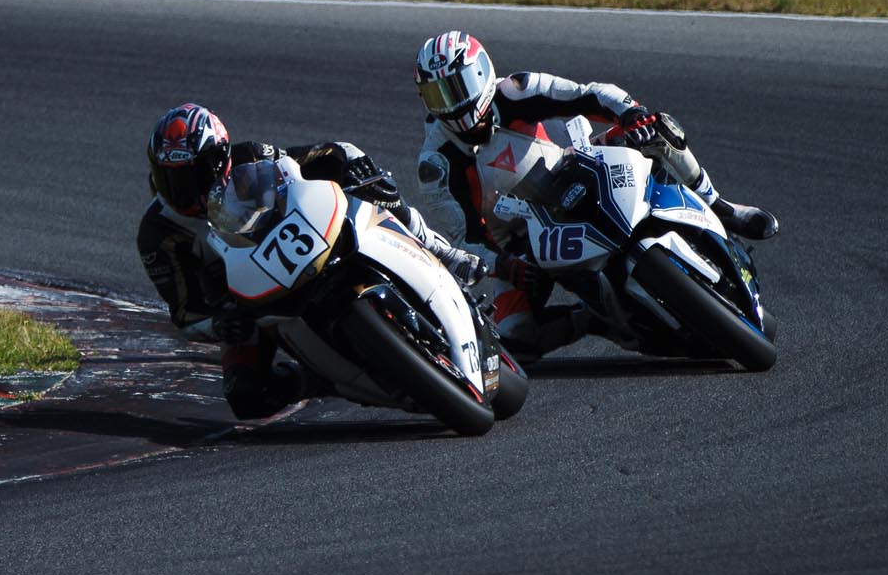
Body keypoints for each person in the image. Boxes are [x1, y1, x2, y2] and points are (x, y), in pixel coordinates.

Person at [410, 29, 779, 361]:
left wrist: (630, 113)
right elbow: (462, 239)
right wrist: (503, 264)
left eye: (455, 90)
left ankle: (722, 206)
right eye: (435, 94)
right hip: (524, 238)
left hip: (578, 164)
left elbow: (590, 95)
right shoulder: (436, 163)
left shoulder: (517, 91)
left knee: (659, 128)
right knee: (515, 337)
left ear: (480, 76)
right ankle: (596, 321)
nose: (449, 104)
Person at [138, 101, 482, 418]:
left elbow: (319, 158)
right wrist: (219, 323)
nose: (184, 188)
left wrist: (355, 166)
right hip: (250, 307)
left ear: (220, 157)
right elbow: (184, 311)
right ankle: (321, 379)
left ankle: (441, 253)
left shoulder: (251, 158)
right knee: (247, 397)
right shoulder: (159, 234)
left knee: (382, 195)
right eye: (171, 178)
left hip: (308, 249)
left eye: (194, 174)